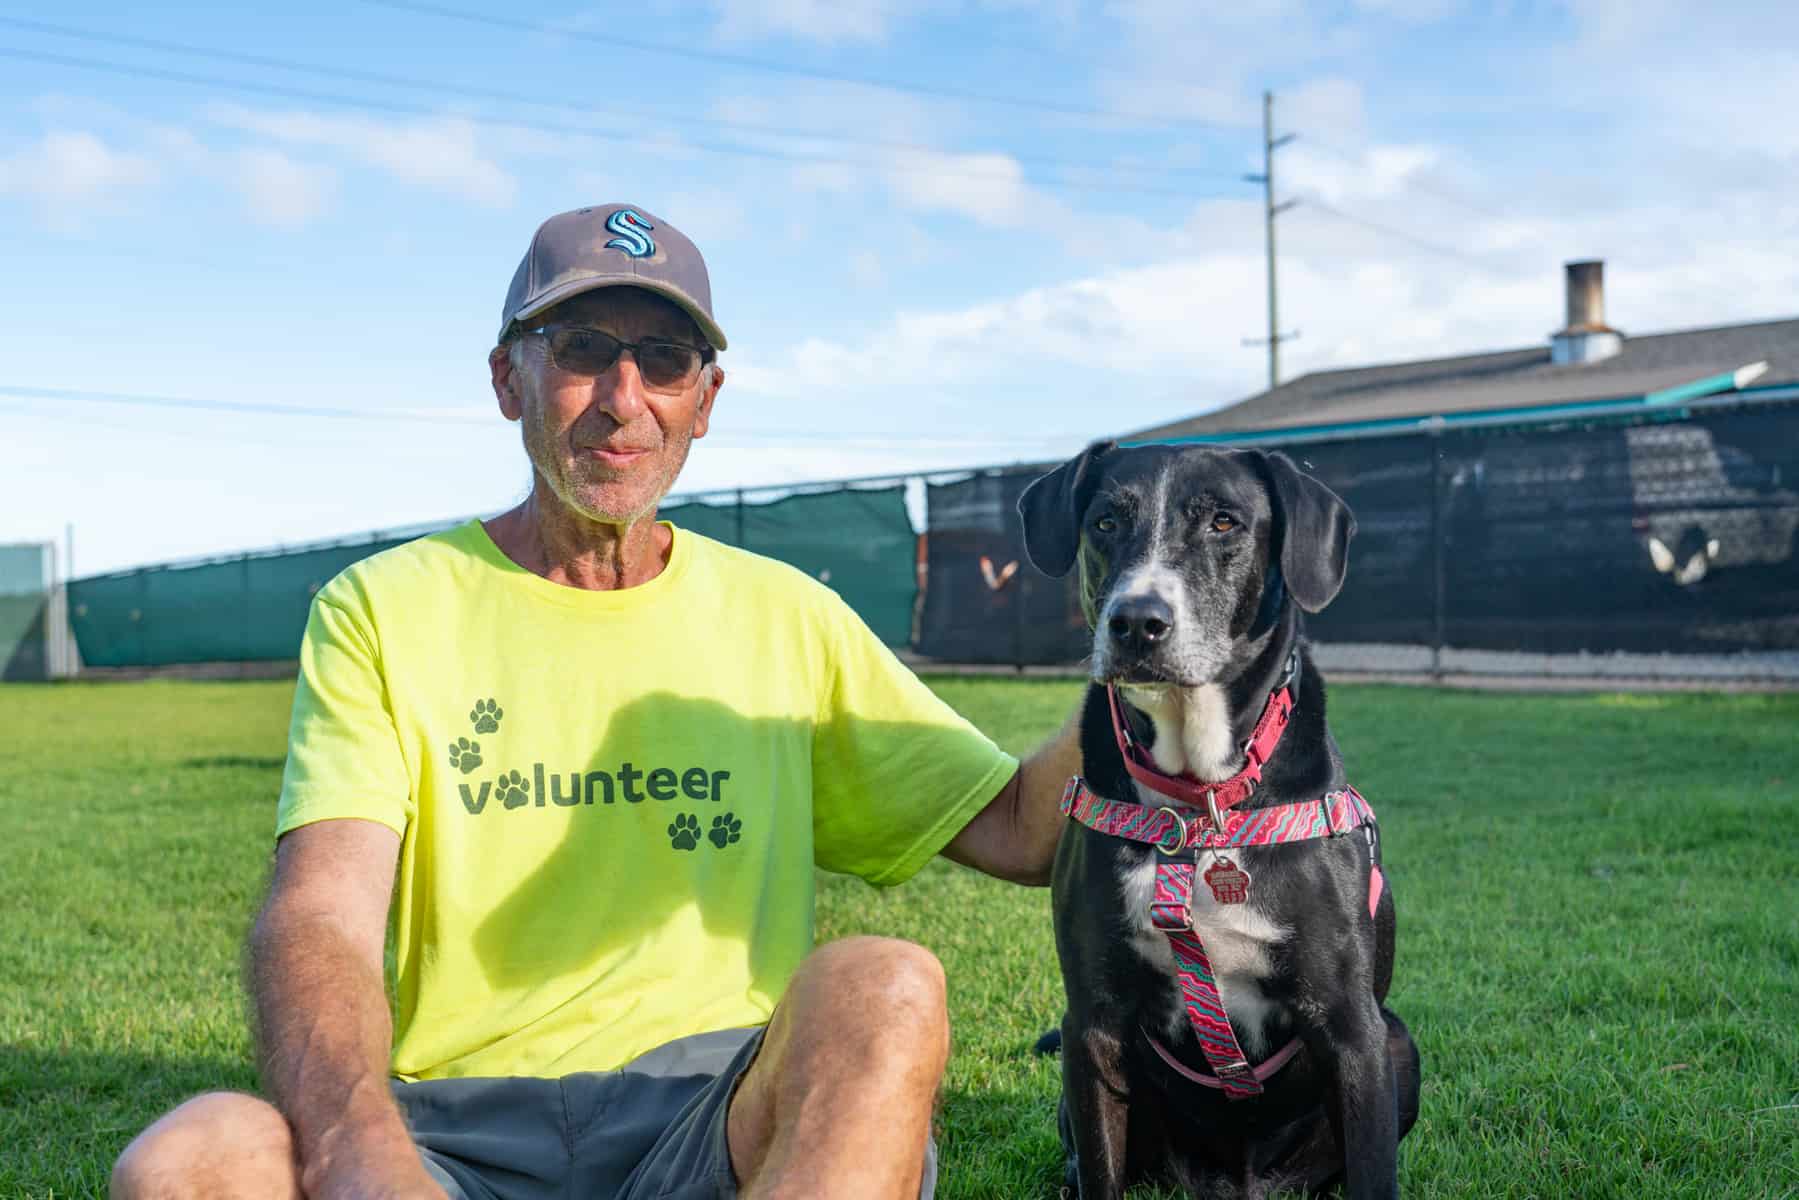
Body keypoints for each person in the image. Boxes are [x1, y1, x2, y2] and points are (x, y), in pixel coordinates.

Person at [111, 204, 1079, 1200]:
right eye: (581, 349)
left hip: (718, 1117)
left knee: (884, 985)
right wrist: (362, 1157)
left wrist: (1158, 649)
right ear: (506, 379)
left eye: (663, 359)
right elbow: (320, 910)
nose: (624, 400)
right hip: (454, 1135)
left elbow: (1017, 829)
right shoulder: (384, 608)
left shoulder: (784, 614)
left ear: (703, 401)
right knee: (189, 1160)